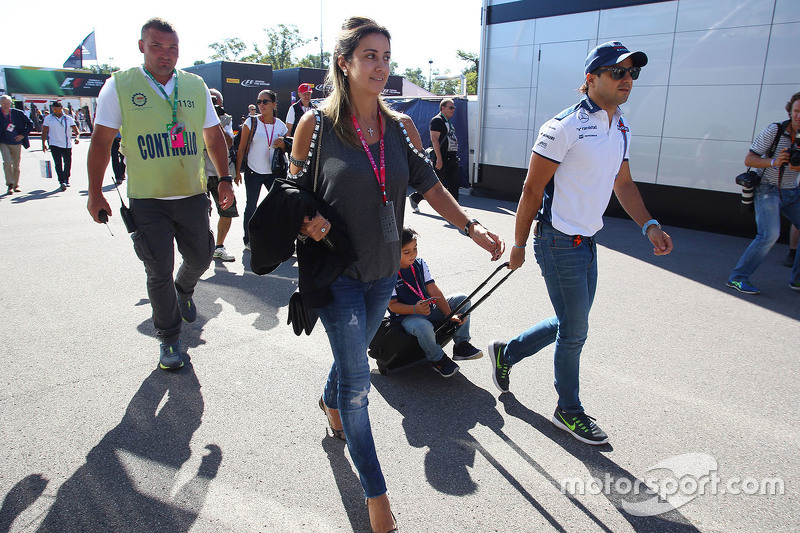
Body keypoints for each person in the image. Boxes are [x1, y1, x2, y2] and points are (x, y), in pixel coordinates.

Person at [289, 17, 504, 533]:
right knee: (359, 387)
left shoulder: (400, 128)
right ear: (345, 63)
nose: (380, 66)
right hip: (337, 274)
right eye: (369, 55)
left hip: (383, 273)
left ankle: (327, 398)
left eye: (385, 56)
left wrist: (471, 227)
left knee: (351, 359)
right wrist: (305, 219)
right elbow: (290, 191)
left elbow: (429, 184)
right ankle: (377, 497)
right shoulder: (315, 126)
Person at [488, 41, 673, 446]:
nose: (627, 79)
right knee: (575, 330)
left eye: (632, 73)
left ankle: (507, 353)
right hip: (558, 241)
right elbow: (532, 189)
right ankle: (567, 410)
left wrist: (650, 226)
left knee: (568, 322)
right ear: (591, 79)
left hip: (588, 241)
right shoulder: (563, 126)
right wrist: (518, 244)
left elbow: (622, 183)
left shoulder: (620, 124)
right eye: (618, 72)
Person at [86, 17, 233, 371]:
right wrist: (95, 192)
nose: (166, 55)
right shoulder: (119, 86)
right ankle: (169, 340)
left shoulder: (195, 86)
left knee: (200, 258)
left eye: (172, 48)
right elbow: (102, 141)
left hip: (192, 194)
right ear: (142, 47)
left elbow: (213, 137)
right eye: (157, 47)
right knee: (158, 271)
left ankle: (185, 290)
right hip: (147, 200)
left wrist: (224, 178)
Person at [727, 91, 800, 294]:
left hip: (793, 191)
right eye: (796, 111)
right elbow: (749, 159)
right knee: (770, 234)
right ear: (790, 111)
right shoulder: (775, 130)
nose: (798, 116)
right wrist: (775, 162)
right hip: (768, 188)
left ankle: (797, 280)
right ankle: (738, 278)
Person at [388, 227, 483, 378]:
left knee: (462, 299)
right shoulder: (389, 273)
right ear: (393, 251)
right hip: (407, 318)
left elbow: (433, 290)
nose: (413, 254)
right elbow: (393, 306)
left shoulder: (419, 264)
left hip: (428, 309)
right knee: (423, 326)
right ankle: (437, 359)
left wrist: (449, 314)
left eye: (415, 249)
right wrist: (415, 309)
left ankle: (461, 346)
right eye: (407, 252)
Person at [235, 88, 287, 249]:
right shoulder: (250, 122)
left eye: (265, 101)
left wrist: (284, 144)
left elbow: (289, 148)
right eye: (259, 102)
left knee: (278, 207)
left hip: (273, 173)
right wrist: (237, 172)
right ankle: (248, 239)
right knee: (251, 206)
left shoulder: (281, 126)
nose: (261, 105)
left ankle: (277, 238)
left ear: (273, 104)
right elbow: (242, 148)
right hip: (253, 171)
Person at [205, 88, 240, 262]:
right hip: (200, 172)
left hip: (221, 173)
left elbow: (228, 142)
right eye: (210, 101)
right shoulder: (196, 116)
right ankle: (201, 248)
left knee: (227, 210)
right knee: (199, 212)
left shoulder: (225, 119)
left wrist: (215, 121)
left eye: (216, 102)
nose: (213, 104)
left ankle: (219, 246)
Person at [409, 98, 459, 212]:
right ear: (443, 108)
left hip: (451, 158)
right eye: (451, 107)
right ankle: (415, 197)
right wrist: (439, 159)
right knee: (434, 185)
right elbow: (434, 140)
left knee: (454, 183)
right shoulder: (437, 120)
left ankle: (456, 210)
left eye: (454, 108)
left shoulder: (448, 122)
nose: (453, 110)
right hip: (441, 158)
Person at [41, 101, 81, 191]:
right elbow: (44, 131)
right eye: (54, 110)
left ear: (61, 109)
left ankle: (66, 179)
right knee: (58, 163)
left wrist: (77, 138)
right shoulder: (48, 119)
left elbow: (76, 131)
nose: (56, 112)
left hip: (66, 144)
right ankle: (61, 181)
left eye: (58, 110)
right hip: (54, 144)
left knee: (67, 162)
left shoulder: (68, 119)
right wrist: (43, 143)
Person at [0, 95, 34, 195]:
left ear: (11, 103)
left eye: (7, 103)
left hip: (16, 141)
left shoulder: (17, 113)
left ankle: (16, 184)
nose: (5, 105)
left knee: (16, 164)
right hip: (3, 141)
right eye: (3, 103)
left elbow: (30, 124)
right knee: (7, 162)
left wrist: (23, 135)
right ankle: (10, 185)